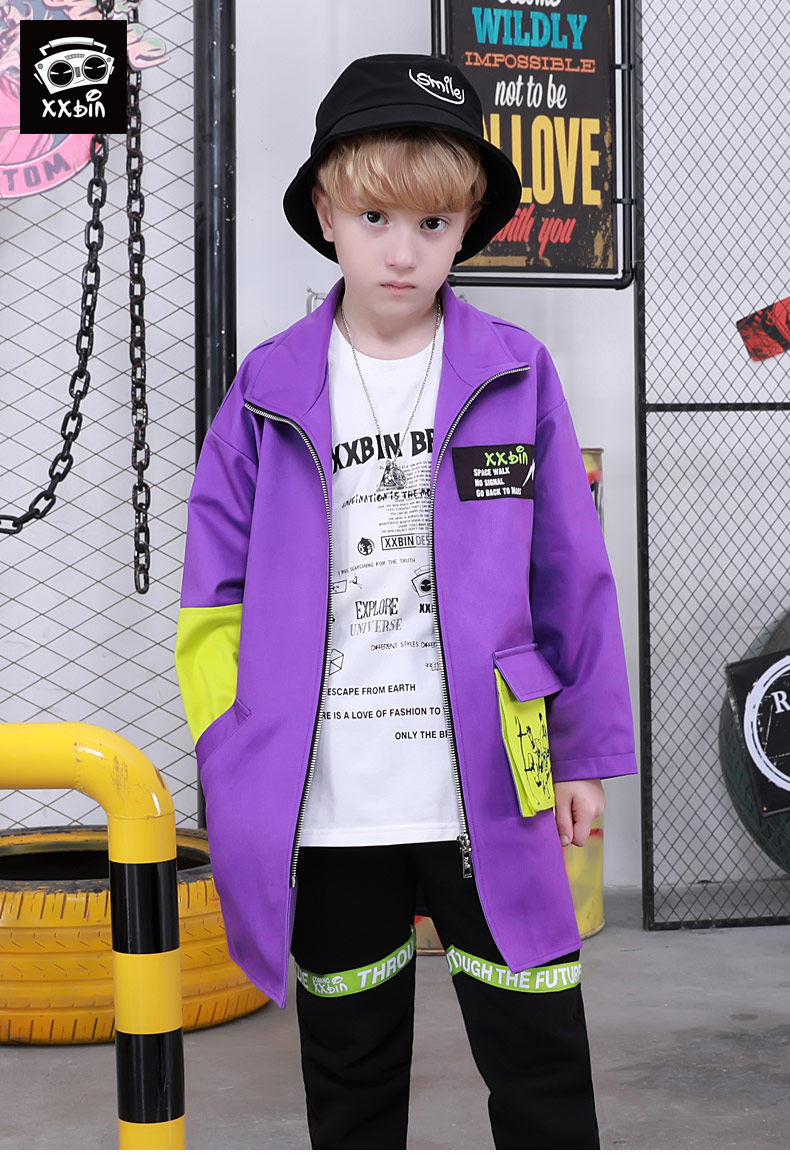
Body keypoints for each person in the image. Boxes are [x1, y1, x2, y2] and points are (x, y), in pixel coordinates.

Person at [175, 53, 637, 1150]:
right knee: (352, 1070)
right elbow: (213, 589)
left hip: (493, 782)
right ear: (326, 214)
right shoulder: (270, 388)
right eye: (375, 216)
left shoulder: (516, 372)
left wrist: (578, 756)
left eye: (432, 224)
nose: (401, 250)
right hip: (331, 792)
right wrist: (234, 741)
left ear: (466, 226)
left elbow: (571, 577)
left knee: (539, 1057)